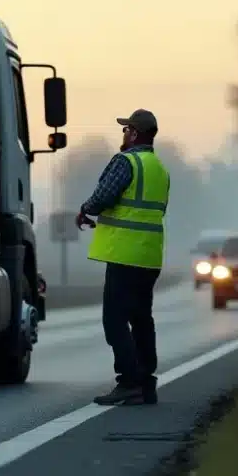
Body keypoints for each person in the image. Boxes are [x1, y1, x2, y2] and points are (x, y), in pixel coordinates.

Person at [76, 109, 170, 406]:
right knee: (141, 318)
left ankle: (130, 381)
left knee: (114, 320)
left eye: (126, 129)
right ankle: (146, 383)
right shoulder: (159, 169)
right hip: (149, 255)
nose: (123, 134)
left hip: (123, 254)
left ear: (135, 133)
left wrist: (85, 209)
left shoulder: (126, 161)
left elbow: (104, 196)